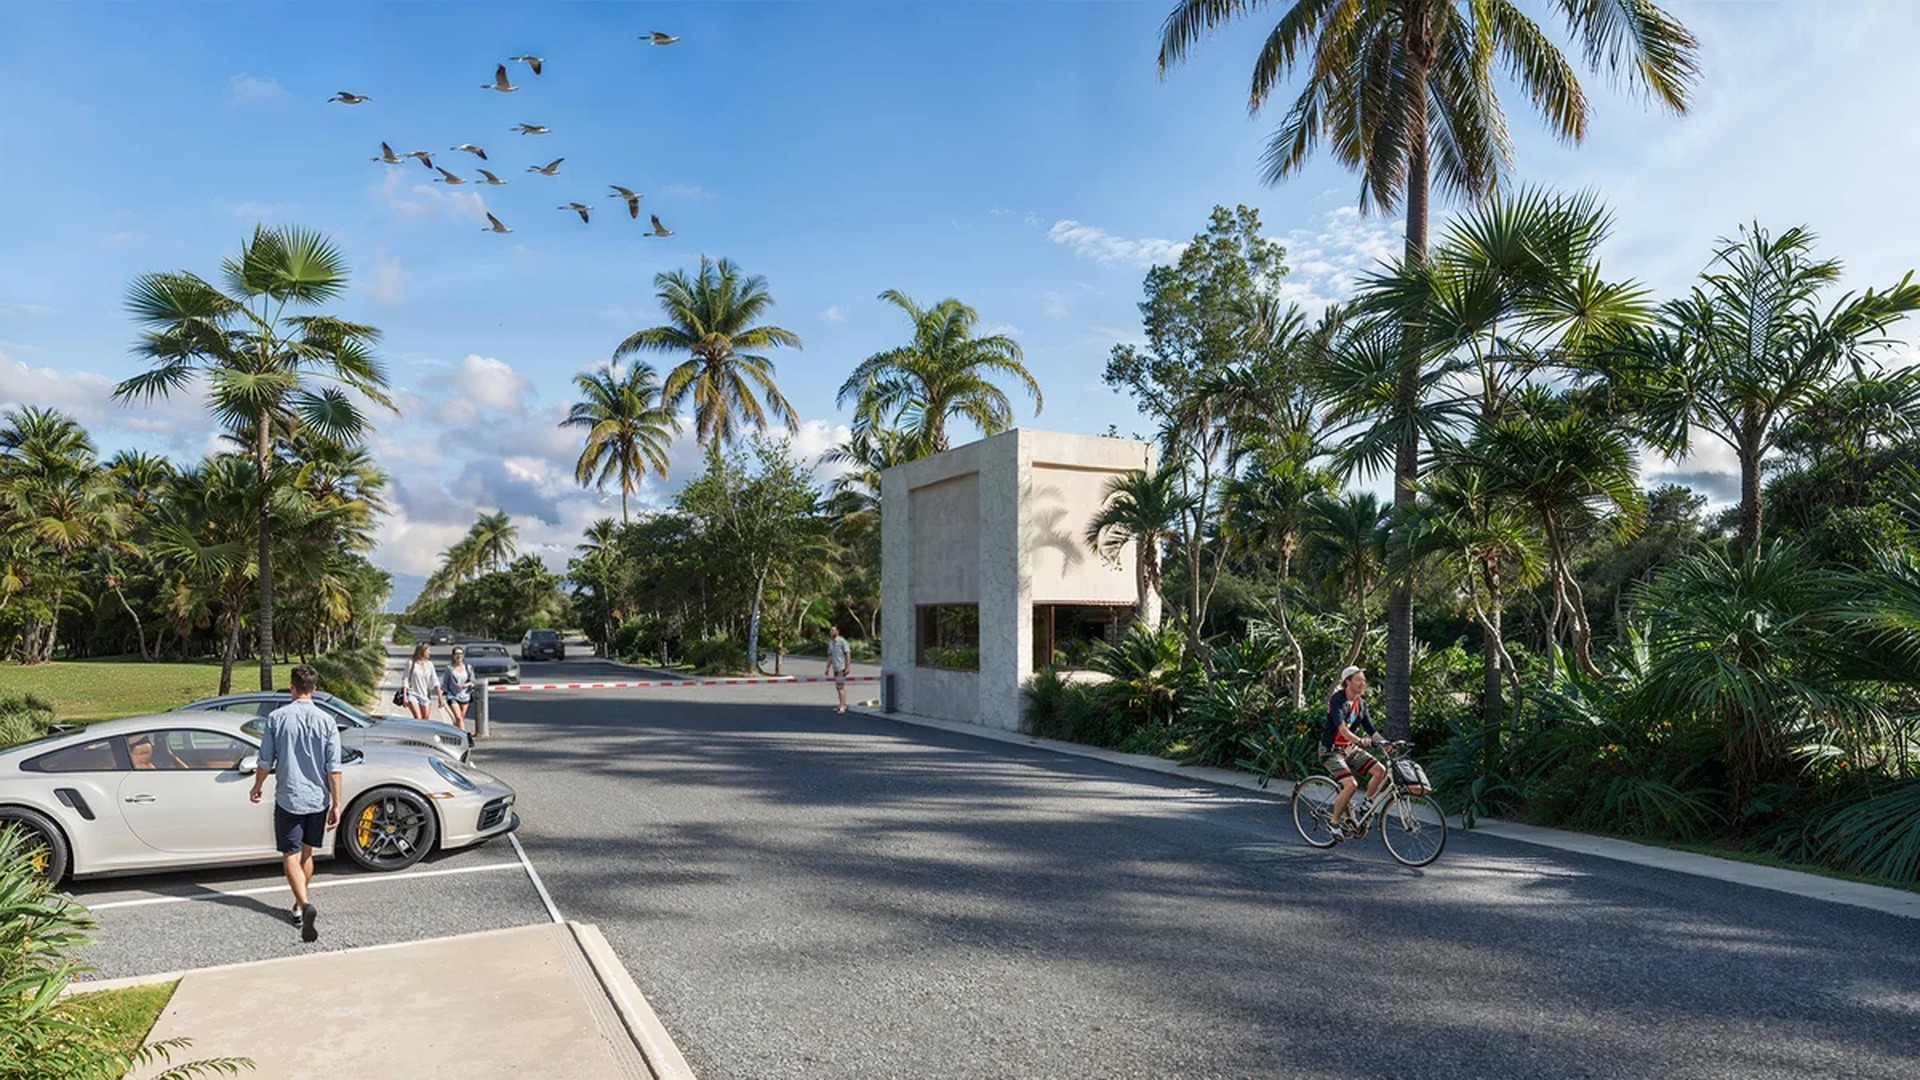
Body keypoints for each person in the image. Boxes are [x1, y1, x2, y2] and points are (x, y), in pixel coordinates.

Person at [249, 663, 341, 943]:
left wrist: (258, 785)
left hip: (289, 797)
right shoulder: (327, 721)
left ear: (292, 688)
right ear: (313, 689)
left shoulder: (276, 718)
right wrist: (336, 803)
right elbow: (333, 768)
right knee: (307, 854)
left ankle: (304, 904)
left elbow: (266, 760)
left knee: (289, 854)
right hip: (318, 799)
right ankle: (300, 906)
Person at [1322, 664, 1387, 837]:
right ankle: (1334, 822)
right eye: (1358, 680)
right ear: (1347, 682)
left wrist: (1385, 743)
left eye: (1363, 681)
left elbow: (1371, 730)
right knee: (1351, 785)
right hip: (1330, 751)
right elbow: (1342, 729)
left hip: (1349, 748)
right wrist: (1360, 741)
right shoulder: (1338, 700)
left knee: (1380, 771)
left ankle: (1367, 804)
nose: (1362, 683)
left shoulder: (1361, 703)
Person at [440, 645, 475, 729]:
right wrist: (442, 694)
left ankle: (455, 732)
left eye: (460, 654)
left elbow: (473, 681)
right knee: (459, 718)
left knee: (460, 719)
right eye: (456, 654)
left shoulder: (468, 667)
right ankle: (464, 737)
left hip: (465, 695)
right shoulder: (449, 668)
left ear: (463, 655)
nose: (459, 656)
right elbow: (445, 683)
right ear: (453, 656)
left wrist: (466, 685)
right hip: (453, 695)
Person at [402, 642, 438, 720]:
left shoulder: (430, 664)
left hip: (425, 694)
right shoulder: (411, 663)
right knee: (418, 718)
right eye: (428, 650)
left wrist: (440, 697)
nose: (430, 652)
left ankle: (419, 732)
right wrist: (405, 696)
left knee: (425, 719)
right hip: (413, 694)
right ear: (422, 651)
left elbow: (435, 680)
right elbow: (406, 679)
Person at [825, 627, 852, 714]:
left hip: (841, 667)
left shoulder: (842, 641)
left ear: (837, 631)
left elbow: (847, 654)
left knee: (840, 687)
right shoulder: (831, 643)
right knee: (838, 687)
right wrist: (827, 667)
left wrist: (848, 667)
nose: (832, 632)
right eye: (831, 631)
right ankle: (841, 704)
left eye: (833, 630)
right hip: (835, 667)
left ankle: (842, 706)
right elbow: (830, 656)